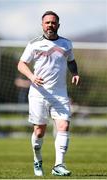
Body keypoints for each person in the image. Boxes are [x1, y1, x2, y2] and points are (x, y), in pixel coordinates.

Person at [17, 11, 80, 177]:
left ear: (58, 25)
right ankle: (37, 159)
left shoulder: (67, 44)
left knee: (64, 125)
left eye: (53, 22)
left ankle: (59, 165)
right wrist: (31, 76)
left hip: (60, 93)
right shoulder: (34, 44)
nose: (50, 25)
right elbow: (21, 64)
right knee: (39, 131)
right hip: (38, 94)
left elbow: (71, 61)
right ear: (42, 25)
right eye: (47, 23)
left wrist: (75, 73)